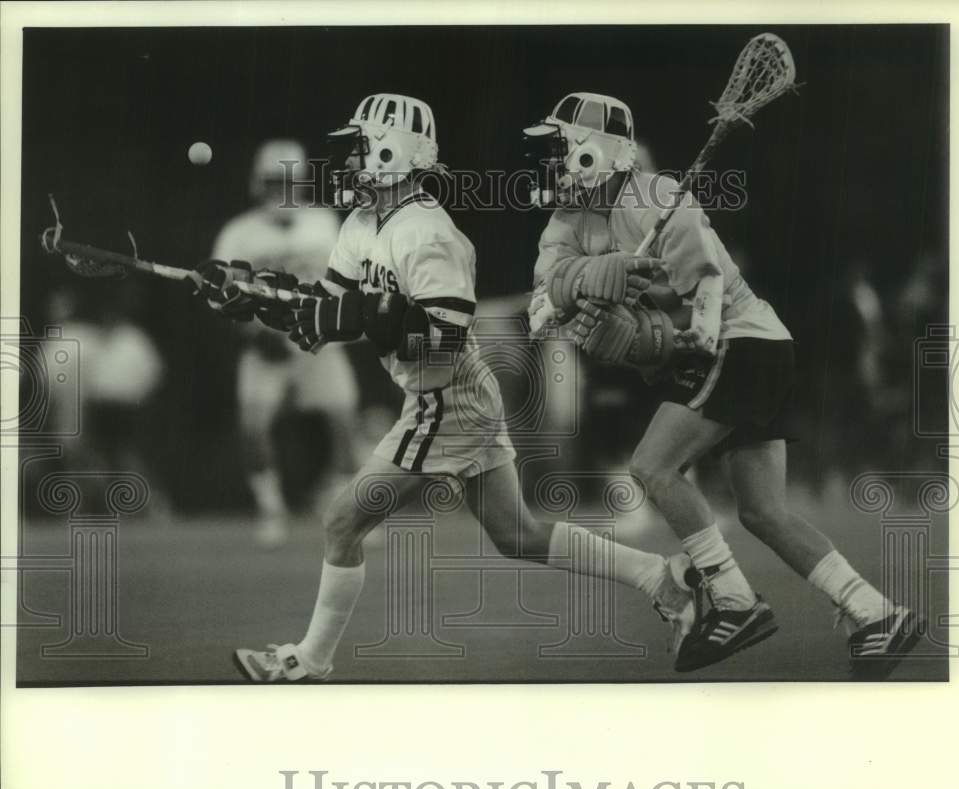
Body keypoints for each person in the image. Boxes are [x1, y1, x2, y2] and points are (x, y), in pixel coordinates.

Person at [204, 94, 731, 681]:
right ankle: (663, 579)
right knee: (517, 535)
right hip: (443, 395)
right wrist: (263, 298)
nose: (348, 163)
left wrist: (352, 317)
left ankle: (309, 661)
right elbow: (327, 310)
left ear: (391, 152)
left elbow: (444, 336)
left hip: (449, 398)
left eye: (358, 149)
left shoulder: (428, 233)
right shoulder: (359, 225)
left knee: (341, 521)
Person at [524, 92, 921, 678]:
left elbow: (706, 296)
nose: (550, 162)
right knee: (763, 512)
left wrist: (667, 337)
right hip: (756, 349)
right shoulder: (570, 219)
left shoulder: (654, 198)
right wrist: (590, 277)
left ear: (596, 151)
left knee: (652, 467)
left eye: (559, 148)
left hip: (742, 340)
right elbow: (541, 304)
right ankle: (876, 613)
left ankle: (734, 601)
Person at [211, 140, 361, 547]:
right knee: (253, 427)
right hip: (265, 341)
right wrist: (252, 332)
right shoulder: (238, 233)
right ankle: (271, 509)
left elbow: (347, 280)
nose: (282, 190)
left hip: (317, 336)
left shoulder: (324, 222)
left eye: (288, 181)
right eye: (274, 181)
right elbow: (220, 295)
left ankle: (351, 512)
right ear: (260, 183)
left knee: (343, 421)